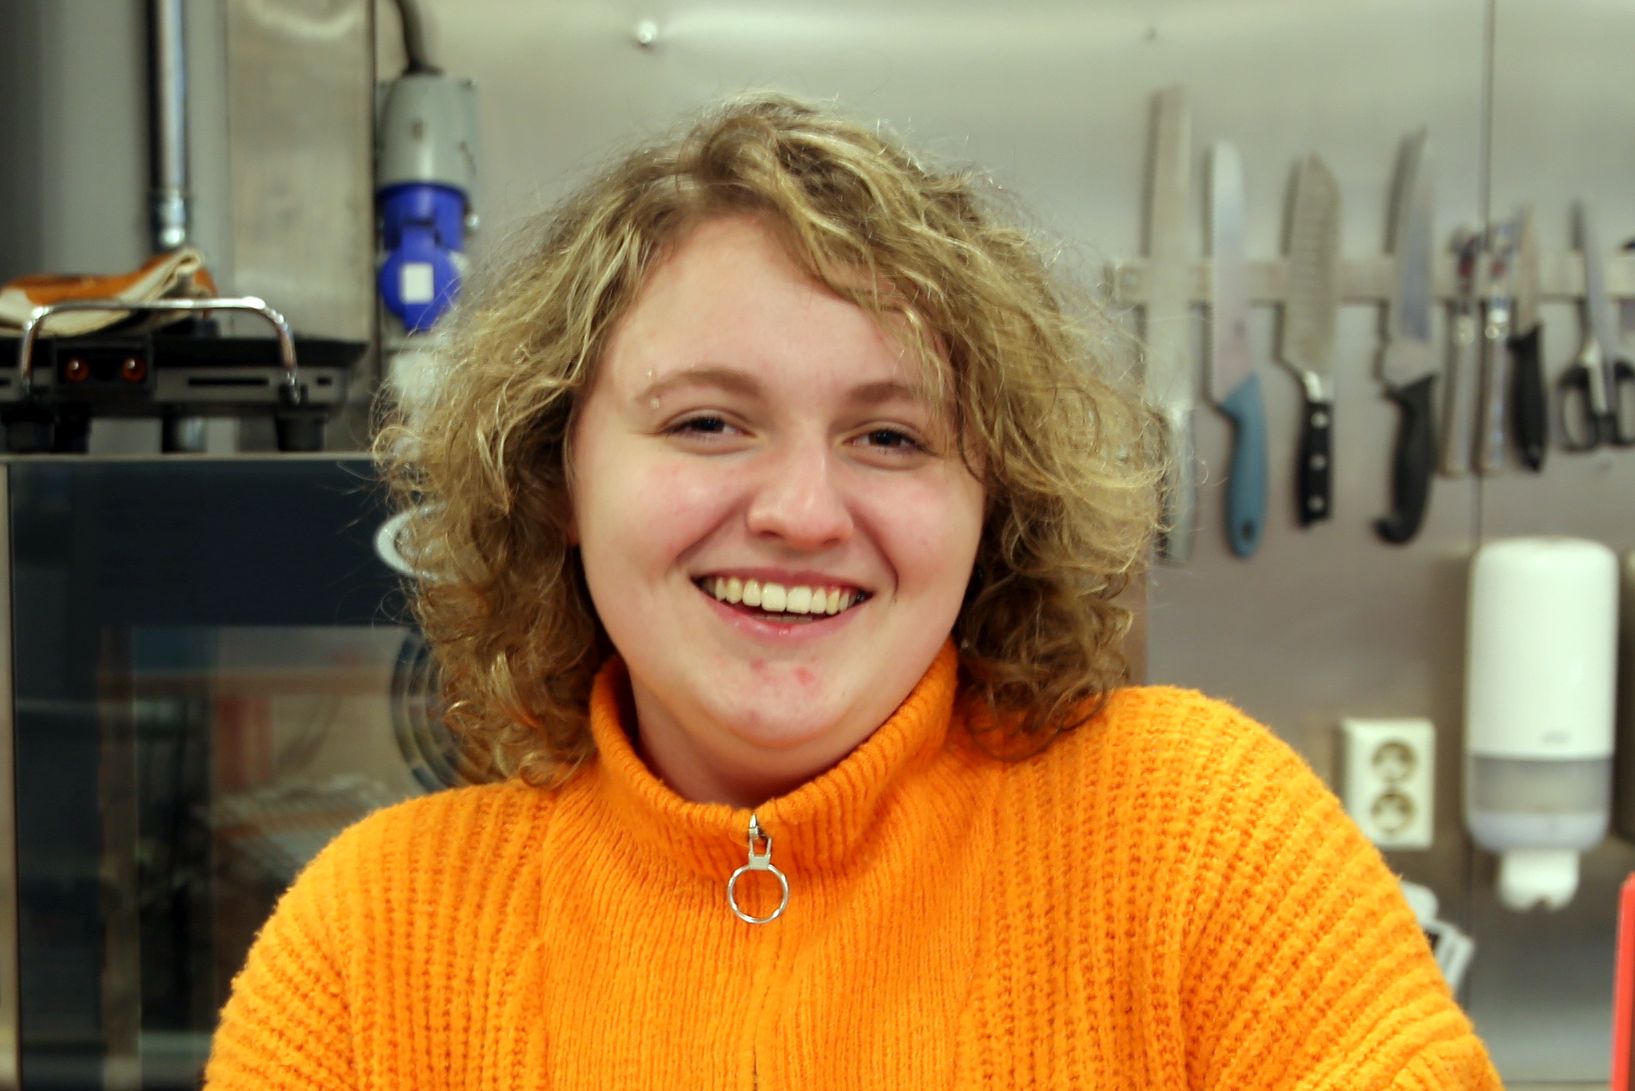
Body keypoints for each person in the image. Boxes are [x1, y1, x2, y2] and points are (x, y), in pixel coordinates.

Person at [203, 94, 1500, 1089]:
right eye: (708, 422)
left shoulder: (1199, 838)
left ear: (996, 500)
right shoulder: (370, 950)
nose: (802, 512)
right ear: (555, 478)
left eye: (891, 436)